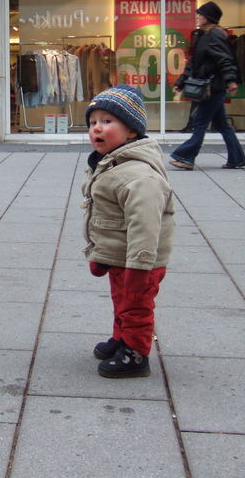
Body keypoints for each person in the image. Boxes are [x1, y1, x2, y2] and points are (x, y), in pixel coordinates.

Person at [83, 84, 175, 379]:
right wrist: (101, 252)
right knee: (121, 301)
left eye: (107, 122)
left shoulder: (139, 176)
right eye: (93, 122)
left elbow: (145, 225)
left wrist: (140, 265)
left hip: (139, 261)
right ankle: (121, 339)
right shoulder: (111, 165)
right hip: (120, 254)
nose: (97, 128)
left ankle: (136, 354)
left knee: (136, 306)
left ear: (132, 131)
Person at [168, 2, 245, 170]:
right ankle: (237, 158)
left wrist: (231, 81)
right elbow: (193, 62)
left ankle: (186, 157)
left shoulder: (215, 36)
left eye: (199, 14)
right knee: (223, 125)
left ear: (207, 18)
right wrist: (180, 82)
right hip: (208, 86)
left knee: (200, 122)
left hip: (212, 87)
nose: (197, 16)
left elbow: (225, 59)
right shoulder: (201, 35)